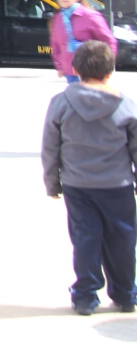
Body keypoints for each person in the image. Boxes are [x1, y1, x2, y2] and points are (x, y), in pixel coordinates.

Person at [42, 40, 137, 316]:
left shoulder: (61, 103)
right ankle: (126, 293)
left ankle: (85, 295)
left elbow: (50, 147)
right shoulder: (126, 105)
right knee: (122, 239)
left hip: (78, 186)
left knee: (85, 238)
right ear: (110, 71)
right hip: (118, 186)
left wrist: (52, 182)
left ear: (75, 69)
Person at [50, 0, 117, 86]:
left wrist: (107, 66)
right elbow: (56, 45)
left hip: (91, 70)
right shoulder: (58, 18)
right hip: (69, 71)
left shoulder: (89, 16)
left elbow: (109, 41)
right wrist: (59, 65)